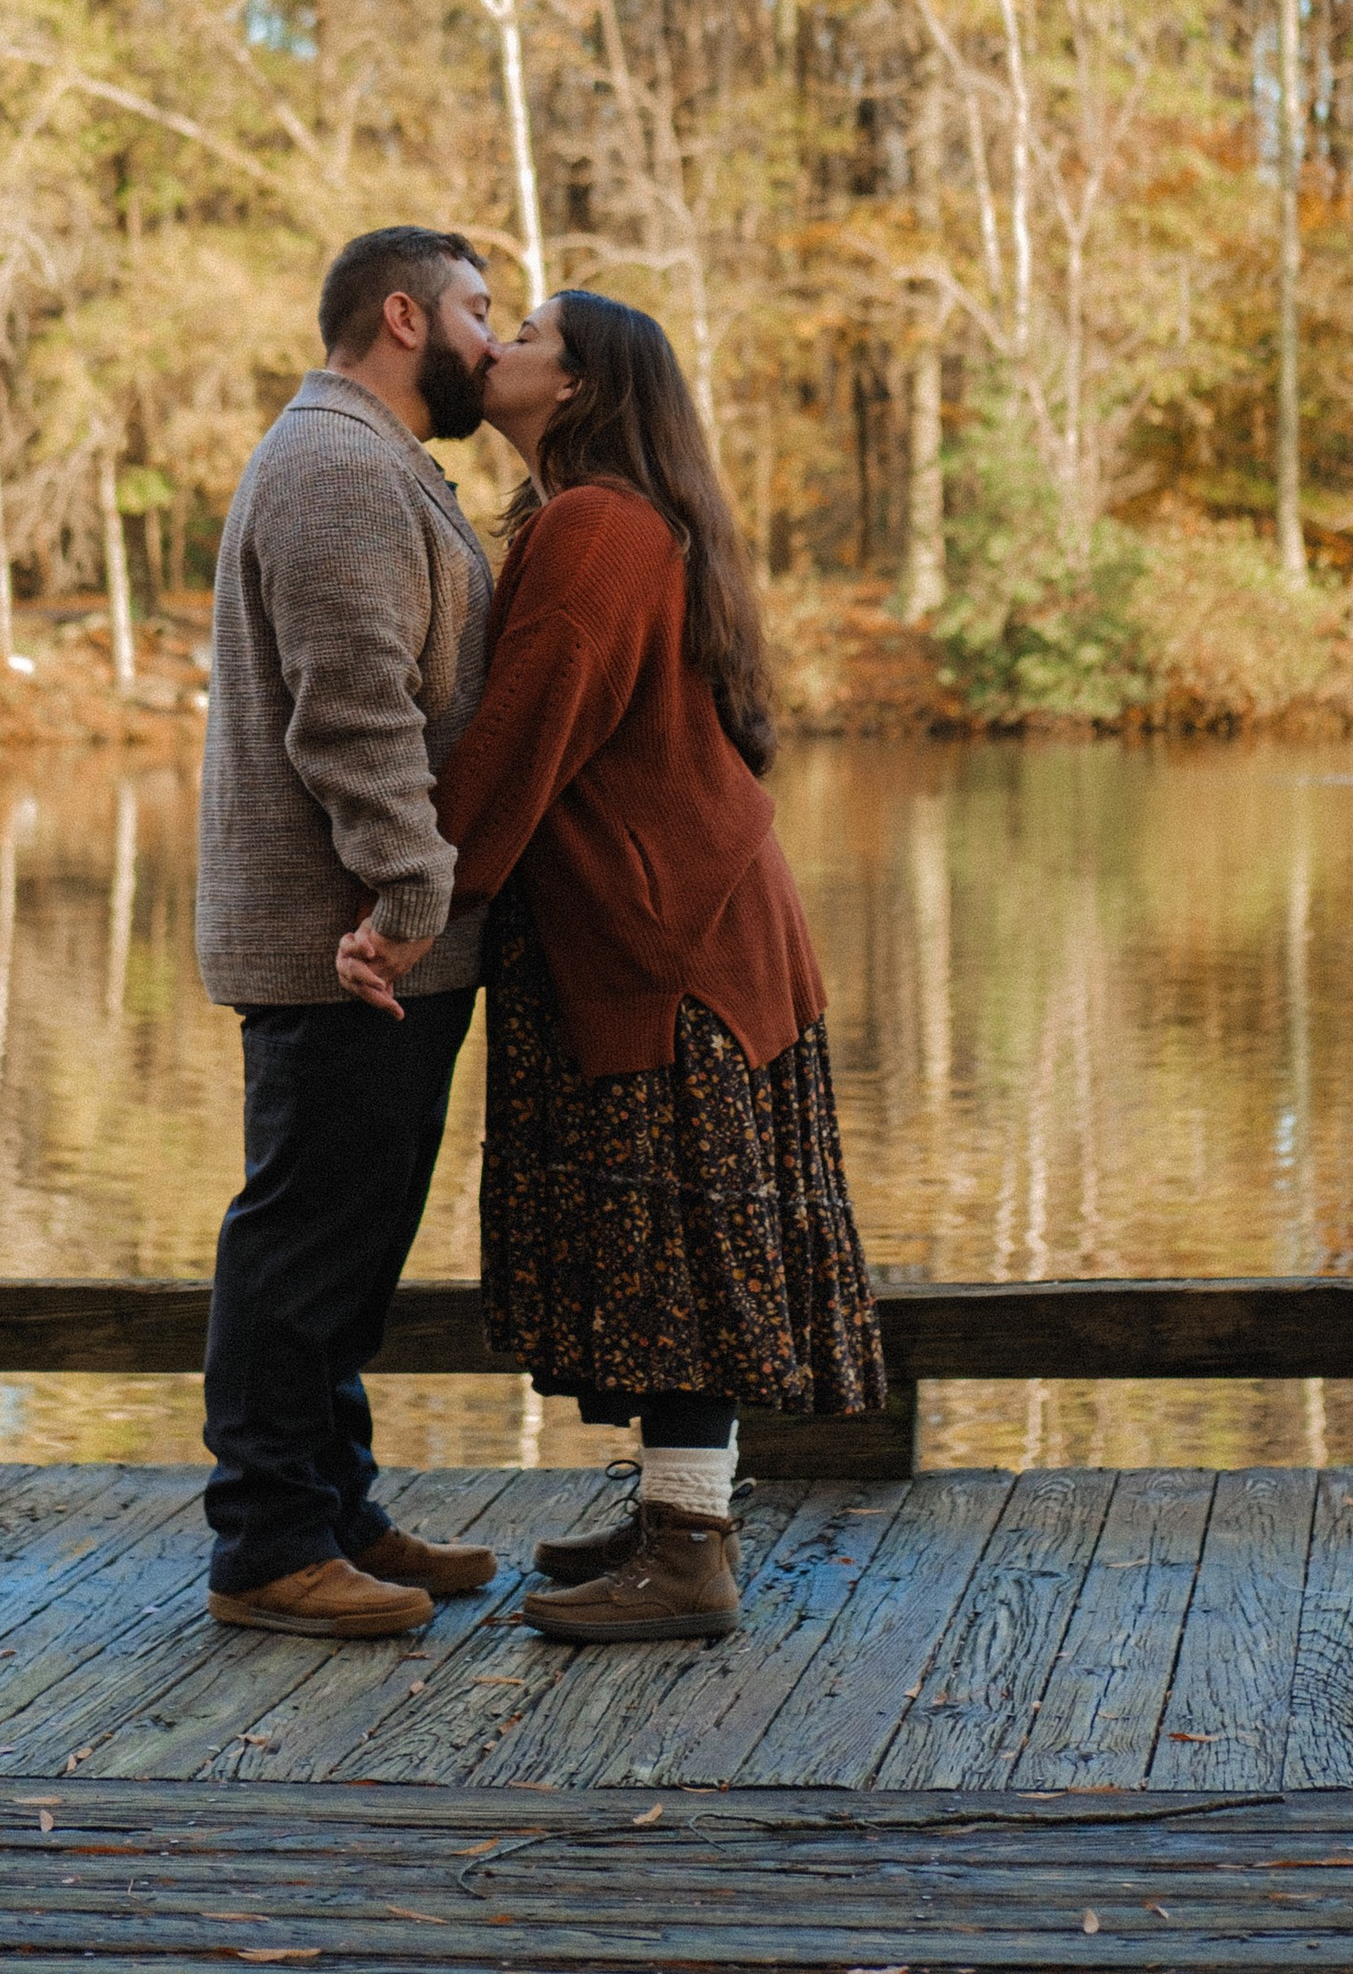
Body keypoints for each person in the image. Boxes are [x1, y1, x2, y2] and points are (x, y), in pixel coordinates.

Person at [339, 288, 883, 1644]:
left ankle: (691, 1554)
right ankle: (670, 1514)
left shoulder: (595, 528)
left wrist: (416, 901)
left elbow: (528, 737)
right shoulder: (608, 518)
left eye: (525, 338)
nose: (497, 350)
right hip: (679, 926)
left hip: (673, 944)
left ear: (577, 388)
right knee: (665, 1234)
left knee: (685, 1240)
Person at [195, 225, 504, 1638]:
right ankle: (267, 1544)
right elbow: (354, 709)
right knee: (302, 1242)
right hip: (352, 948)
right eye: (477, 312)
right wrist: (409, 899)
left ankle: (337, 1509)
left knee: (351, 1242)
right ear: (403, 314)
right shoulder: (334, 465)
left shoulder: (370, 459)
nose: (491, 343)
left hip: (381, 938)